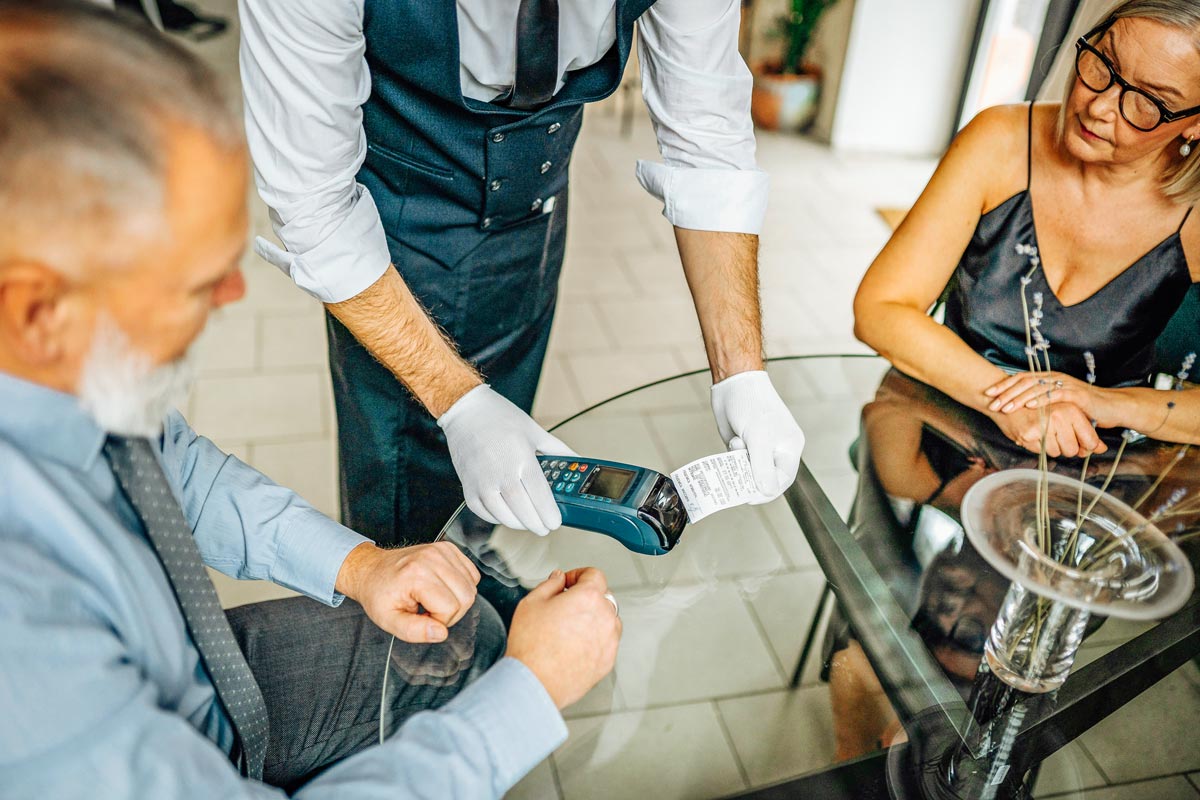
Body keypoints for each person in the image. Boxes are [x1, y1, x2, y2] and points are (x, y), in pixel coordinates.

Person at [0, 3, 620, 797]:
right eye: (197, 280)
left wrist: (360, 566)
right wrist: (531, 697)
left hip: (192, 676)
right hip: (152, 744)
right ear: (38, 310)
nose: (232, 294)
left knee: (456, 639)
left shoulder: (50, 372)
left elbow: (169, 470)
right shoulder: (24, 640)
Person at [237, 0, 806, 549]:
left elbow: (707, 132)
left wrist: (741, 373)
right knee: (405, 514)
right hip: (394, 245)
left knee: (503, 468)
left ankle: (476, 554)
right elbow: (313, 208)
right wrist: (459, 405)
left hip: (539, 218)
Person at [854, 0, 1200, 459]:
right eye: (1103, 63)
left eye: (1148, 103)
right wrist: (1013, 401)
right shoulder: (1000, 140)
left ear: (1194, 125)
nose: (1098, 106)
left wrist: (1101, 402)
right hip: (937, 424)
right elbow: (879, 309)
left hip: (1093, 465)